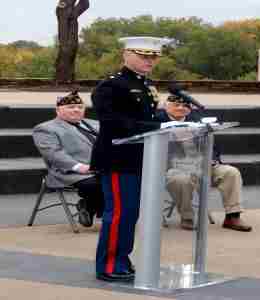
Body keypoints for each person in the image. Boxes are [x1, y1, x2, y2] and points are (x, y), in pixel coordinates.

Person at [91, 36, 173, 282]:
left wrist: (167, 120)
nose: (150, 61)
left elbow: (144, 115)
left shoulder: (146, 85)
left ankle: (121, 259)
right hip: (118, 158)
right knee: (119, 213)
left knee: (131, 213)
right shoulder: (111, 86)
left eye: (154, 57)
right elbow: (114, 122)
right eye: (144, 56)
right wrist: (155, 124)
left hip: (141, 157)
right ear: (126, 55)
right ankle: (108, 264)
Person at [156, 94, 252, 232]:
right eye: (176, 105)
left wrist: (212, 160)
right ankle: (187, 217)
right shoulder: (157, 121)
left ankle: (232, 216)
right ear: (166, 106)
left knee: (231, 172)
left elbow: (213, 146)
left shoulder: (198, 121)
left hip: (202, 164)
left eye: (185, 105)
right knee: (180, 179)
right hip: (174, 168)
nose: (181, 108)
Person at [32, 90, 103, 227]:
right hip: (69, 172)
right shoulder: (46, 129)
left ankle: (89, 206)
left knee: (125, 178)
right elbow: (53, 154)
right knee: (96, 184)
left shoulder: (96, 124)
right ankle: (98, 210)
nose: (76, 110)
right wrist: (79, 167)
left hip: (102, 168)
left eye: (80, 107)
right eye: (70, 107)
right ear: (58, 110)